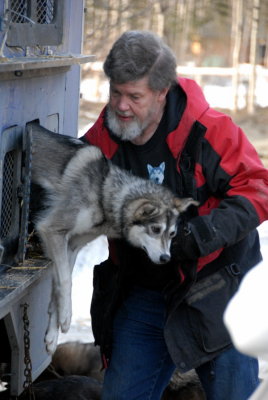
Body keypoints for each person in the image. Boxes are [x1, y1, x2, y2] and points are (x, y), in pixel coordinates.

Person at [82, 30, 268, 400]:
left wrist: (198, 235)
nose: (121, 106)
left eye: (134, 96)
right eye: (115, 92)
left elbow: (258, 187)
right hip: (145, 293)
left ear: (162, 91)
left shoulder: (208, 131)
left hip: (216, 293)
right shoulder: (103, 138)